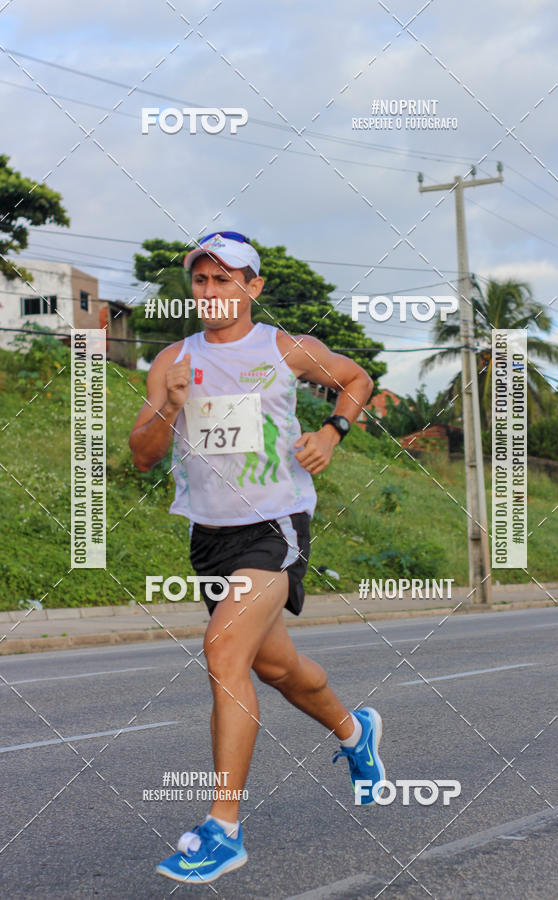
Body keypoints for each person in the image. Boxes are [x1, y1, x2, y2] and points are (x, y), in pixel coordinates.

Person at [129, 231, 386, 885]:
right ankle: (355, 732)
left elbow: (355, 378)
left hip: (274, 525)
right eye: (202, 281)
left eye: (225, 280)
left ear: (253, 287)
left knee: (223, 651)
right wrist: (170, 406)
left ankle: (223, 829)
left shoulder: (281, 348)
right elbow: (142, 454)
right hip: (209, 537)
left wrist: (333, 431)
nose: (211, 292)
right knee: (278, 667)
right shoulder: (172, 361)